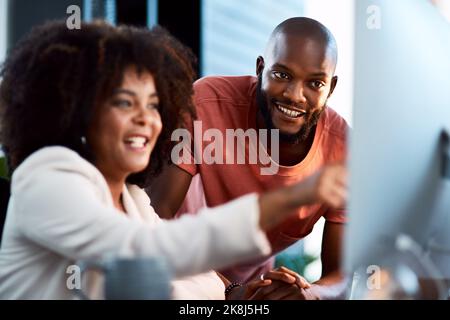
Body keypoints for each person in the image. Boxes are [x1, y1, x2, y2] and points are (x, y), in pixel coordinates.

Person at [0, 21, 346, 299]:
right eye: (124, 103)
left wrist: (242, 295)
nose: (147, 120)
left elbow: (193, 275)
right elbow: (146, 254)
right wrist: (293, 196)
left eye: (152, 105)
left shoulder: (133, 201)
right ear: (79, 112)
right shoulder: (49, 176)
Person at [147, 17, 349, 299]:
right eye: (282, 75)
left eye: (315, 83)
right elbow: (156, 221)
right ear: (260, 69)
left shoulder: (342, 151)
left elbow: (342, 277)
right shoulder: (205, 102)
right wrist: (227, 291)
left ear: (331, 88)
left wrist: (310, 294)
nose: (295, 96)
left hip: (250, 283)